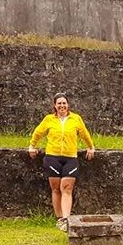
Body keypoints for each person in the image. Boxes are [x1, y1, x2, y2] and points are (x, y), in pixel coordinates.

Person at [28, 92, 95, 232]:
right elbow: (38, 132)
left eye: (64, 103)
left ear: (68, 104)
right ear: (55, 105)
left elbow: (84, 133)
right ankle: (59, 219)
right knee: (56, 188)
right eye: (59, 103)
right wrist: (32, 146)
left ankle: (66, 218)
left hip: (70, 157)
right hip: (52, 156)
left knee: (67, 187)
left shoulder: (76, 119)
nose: (62, 105)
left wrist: (90, 147)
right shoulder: (49, 119)